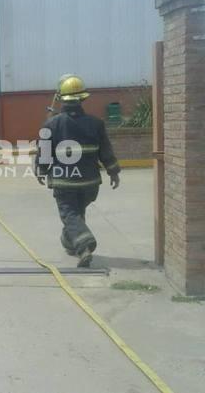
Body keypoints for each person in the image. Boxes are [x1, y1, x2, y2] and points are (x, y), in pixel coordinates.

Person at [35, 75, 120, 267]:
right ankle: (70, 241)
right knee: (77, 213)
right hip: (90, 184)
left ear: (61, 99)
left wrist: (40, 170)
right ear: (83, 99)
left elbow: (45, 154)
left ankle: (83, 245)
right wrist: (113, 171)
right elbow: (106, 150)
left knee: (70, 214)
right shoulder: (96, 123)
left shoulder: (51, 125)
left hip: (65, 182)